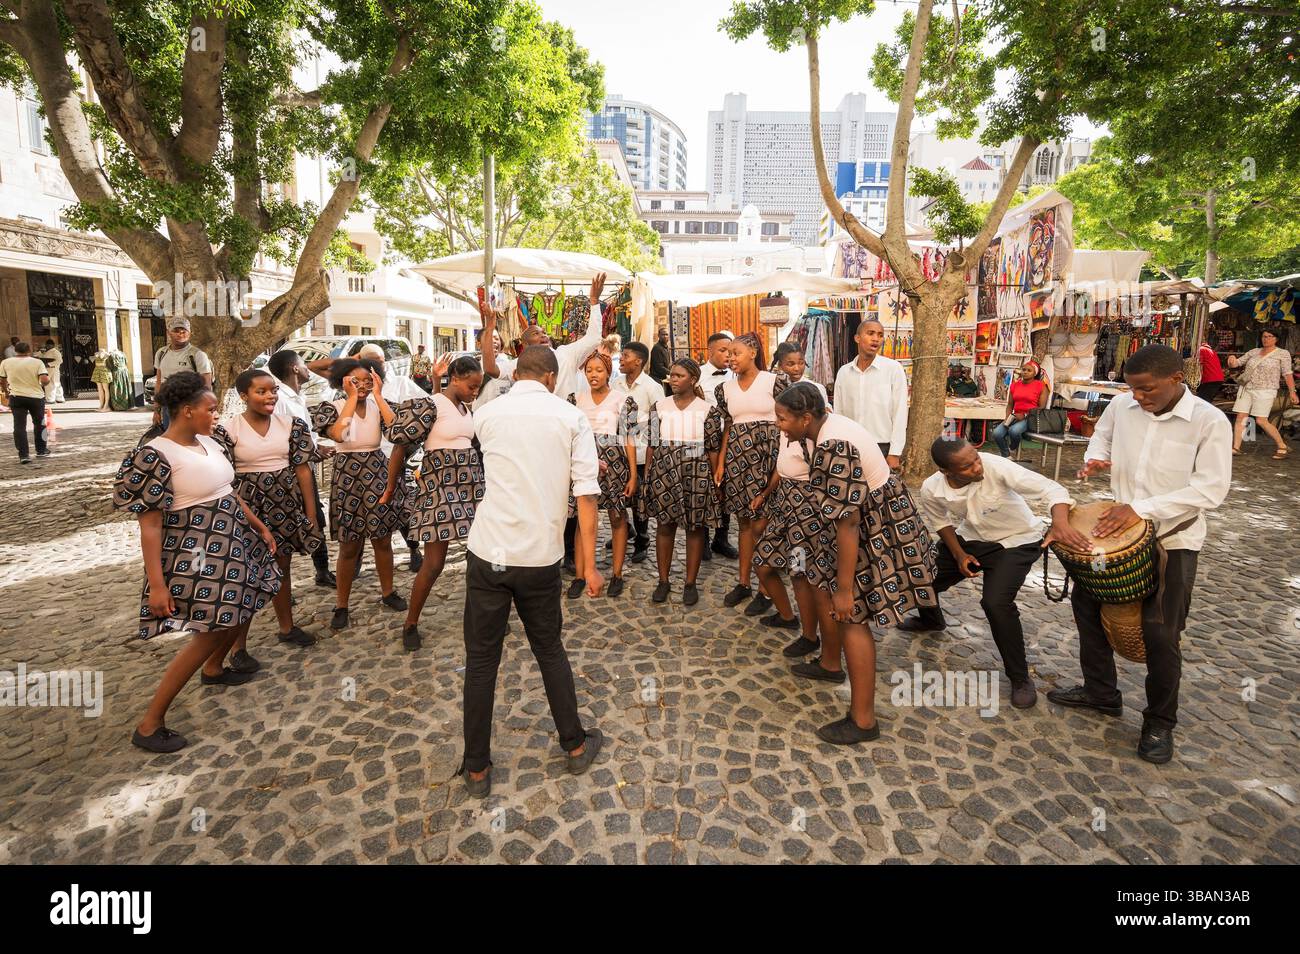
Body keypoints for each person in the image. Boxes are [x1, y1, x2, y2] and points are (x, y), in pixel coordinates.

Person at [1048, 344, 1231, 764]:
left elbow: (1210, 489)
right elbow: (1103, 434)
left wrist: (1141, 509)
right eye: (1131, 389)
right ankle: (1100, 693)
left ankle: (1160, 721)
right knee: (1087, 609)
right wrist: (1096, 458)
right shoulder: (1124, 406)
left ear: (1176, 380)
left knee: (1161, 634)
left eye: (1146, 390)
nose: (1138, 398)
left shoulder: (1209, 421)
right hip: (1118, 536)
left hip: (1173, 540)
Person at [459, 345, 604, 797]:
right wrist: (590, 566)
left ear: (517, 373)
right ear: (550, 378)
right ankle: (575, 746)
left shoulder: (486, 412)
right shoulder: (570, 417)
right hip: (540, 555)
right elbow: (586, 497)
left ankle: (477, 768)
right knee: (549, 650)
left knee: (481, 661)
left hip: (490, 549)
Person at [113, 371, 281, 753]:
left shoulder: (210, 441)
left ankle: (214, 669)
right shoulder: (155, 455)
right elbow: (151, 527)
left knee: (236, 615)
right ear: (187, 411)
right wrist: (157, 585)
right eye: (210, 409)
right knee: (208, 629)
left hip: (233, 539)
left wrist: (258, 526)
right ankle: (150, 722)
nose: (216, 415)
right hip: (197, 552)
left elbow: (229, 491)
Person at [774, 383, 938, 742]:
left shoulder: (833, 444)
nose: (778, 425)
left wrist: (845, 590)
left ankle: (863, 720)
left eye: (782, 418)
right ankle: (831, 665)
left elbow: (848, 522)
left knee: (852, 617)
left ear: (806, 417)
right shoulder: (827, 425)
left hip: (872, 525)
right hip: (866, 519)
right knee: (842, 608)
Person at [905, 437, 1092, 709]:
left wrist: (1060, 523)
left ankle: (1020, 679)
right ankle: (930, 619)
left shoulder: (996, 466)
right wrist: (959, 554)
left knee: (995, 603)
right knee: (921, 575)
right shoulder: (931, 488)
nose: (977, 467)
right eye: (967, 467)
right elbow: (941, 522)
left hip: (1019, 540)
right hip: (973, 538)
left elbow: (1052, 489)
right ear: (947, 472)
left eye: (976, 458)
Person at [211, 368, 324, 671]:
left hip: (284, 501)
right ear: (244, 395)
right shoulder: (228, 429)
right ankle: (238, 647)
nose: (270, 396)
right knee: (248, 573)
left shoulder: (291, 424)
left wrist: (310, 514)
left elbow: (303, 470)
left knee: (282, 565)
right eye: (261, 391)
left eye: (273, 390)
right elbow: (223, 477)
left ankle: (286, 627)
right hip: (247, 505)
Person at [385, 355, 485, 651]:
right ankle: (410, 623)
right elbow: (399, 448)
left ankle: (482, 618)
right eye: (471, 385)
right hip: (440, 487)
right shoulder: (430, 405)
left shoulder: (465, 407)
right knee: (434, 563)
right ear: (456, 378)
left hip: (471, 486)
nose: (474, 391)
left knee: (480, 558)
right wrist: (391, 487)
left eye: (478, 387)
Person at [311, 358, 409, 630]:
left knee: (382, 539)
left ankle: (388, 592)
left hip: (377, 470)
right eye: (356, 381)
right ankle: (341, 604)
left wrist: (378, 395)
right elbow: (339, 435)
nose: (363, 386)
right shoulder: (333, 407)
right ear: (341, 382)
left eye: (368, 380)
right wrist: (352, 398)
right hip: (348, 475)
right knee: (349, 546)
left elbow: (397, 432)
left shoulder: (380, 405)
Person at [712, 332, 786, 616]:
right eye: (727, 353)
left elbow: (785, 420)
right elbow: (728, 426)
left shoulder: (774, 381)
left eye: (736, 352)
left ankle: (765, 590)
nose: (730, 358)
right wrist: (721, 464)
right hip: (738, 459)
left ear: (753, 352)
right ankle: (743, 582)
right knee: (743, 525)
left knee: (762, 526)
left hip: (768, 457)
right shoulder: (724, 390)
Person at [753, 423, 839, 661]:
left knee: (799, 572)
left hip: (805, 512)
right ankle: (787, 616)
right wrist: (765, 494)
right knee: (762, 563)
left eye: (782, 416)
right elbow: (783, 467)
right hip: (784, 505)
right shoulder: (786, 432)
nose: (778, 422)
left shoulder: (815, 436)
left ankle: (810, 637)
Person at [645, 358, 722, 606]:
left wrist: (715, 478)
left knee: (695, 527)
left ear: (693, 380)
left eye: (679, 376)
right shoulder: (659, 406)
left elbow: (712, 448)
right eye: (671, 375)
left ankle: (690, 582)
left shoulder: (707, 409)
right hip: (664, 468)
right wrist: (648, 474)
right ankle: (663, 581)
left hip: (696, 469)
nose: (673, 380)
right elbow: (652, 443)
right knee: (664, 525)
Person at [563, 352, 638, 599]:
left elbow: (629, 438)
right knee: (583, 518)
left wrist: (633, 475)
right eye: (589, 371)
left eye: (599, 370)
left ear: (608, 372)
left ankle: (617, 574)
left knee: (618, 517)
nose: (593, 375)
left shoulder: (623, 400)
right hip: (584, 460)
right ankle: (581, 575)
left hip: (615, 462)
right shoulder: (575, 399)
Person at [269, 349, 336, 588]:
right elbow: (283, 439)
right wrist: (311, 452)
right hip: (288, 473)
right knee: (286, 522)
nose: (308, 368)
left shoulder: (298, 397)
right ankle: (279, 583)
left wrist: (317, 449)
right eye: (303, 364)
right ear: (295, 368)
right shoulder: (281, 401)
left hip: (305, 466)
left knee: (316, 516)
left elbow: (304, 436)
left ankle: (323, 570)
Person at [832, 318, 908, 469]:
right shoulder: (844, 372)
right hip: (851, 445)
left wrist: (895, 452)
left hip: (882, 446)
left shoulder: (893, 369)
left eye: (880, 335)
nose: (876, 339)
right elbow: (838, 413)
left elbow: (900, 412)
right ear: (857, 338)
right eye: (871, 333)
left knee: (880, 491)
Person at [613, 340, 661, 564]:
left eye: (625, 355)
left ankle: (642, 541)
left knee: (639, 500)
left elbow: (658, 422)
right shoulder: (615, 384)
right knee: (619, 496)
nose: (621, 359)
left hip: (641, 452)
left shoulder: (652, 387)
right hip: (619, 451)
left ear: (638, 361)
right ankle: (625, 530)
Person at [698, 331, 739, 560]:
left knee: (725, 489)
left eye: (731, 351)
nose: (728, 355)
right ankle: (702, 539)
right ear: (710, 351)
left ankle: (721, 538)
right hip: (705, 442)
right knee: (704, 488)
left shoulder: (736, 375)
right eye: (723, 350)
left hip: (730, 439)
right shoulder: (698, 376)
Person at [1228, 328, 1296, 459]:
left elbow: (1287, 374)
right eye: (1264, 336)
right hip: (1247, 388)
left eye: (1270, 336)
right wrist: (1231, 359)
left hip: (1266, 390)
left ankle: (1281, 445)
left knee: (1261, 420)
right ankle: (1236, 447)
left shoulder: (1283, 353)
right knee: (1241, 417)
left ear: (1276, 339)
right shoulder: (1254, 351)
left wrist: (1292, 392)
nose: (1266, 339)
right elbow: (1237, 363)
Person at [153, 317, 213, 428]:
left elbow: (206, 386)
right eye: (176, 331)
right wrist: (156, 410)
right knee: (171, 439)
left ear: (189, 333)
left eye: (184, 331)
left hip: (191, 407)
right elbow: (159, 383)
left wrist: (204, 409)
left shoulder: (197, 355)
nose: (180, 334)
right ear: (168, 333)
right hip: (168, 407)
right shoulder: (161, 353)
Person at [0, 341, 51, 463]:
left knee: (19, 426)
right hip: (36, 397)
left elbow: (2, 379)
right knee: (40, 424)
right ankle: (41, 450)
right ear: (29, 350)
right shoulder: (37, 362)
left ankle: (23, 455)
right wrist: (45, 383)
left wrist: (6, 392)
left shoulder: (6, 362)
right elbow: (44, 379)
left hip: (16, 397)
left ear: (16, 351)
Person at [991, 360, 1050, 457]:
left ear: (1035, 373)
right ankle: (1006, 455)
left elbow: (1042, 407)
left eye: (1029, 370)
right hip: (1015, 416)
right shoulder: (1015, 385)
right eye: (1024, 370)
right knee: (997, 433)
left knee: (1013, 431)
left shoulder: (1041, 386)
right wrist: (1007, 417)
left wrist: (1025, 415)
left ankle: (1012, 447)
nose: (1025, 372)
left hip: (1031, 417)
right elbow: (1010, 404)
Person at [773, 340, 829, 406]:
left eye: (801, 363)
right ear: (780, 365)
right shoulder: (771, 388)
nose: (797, 368)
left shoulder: (817, 389)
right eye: (791, 364)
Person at [1196, 335, 1224, 403]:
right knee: (1204, 400)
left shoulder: (1202, 349)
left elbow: (1197, 363)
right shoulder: (1209, 350)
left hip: (1211, 379)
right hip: (1216, 378)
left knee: (1202, 401)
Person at [37, 339, 64, 403]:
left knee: (54, 384)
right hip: (48, 370)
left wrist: (49, 364)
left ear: (52, 345)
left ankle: (51, 399)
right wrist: (40, 352)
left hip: (54, 369)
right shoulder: (47, 351)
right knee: (54, 384)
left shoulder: (56, 352)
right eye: (47, 345)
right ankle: (59, 398)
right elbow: (41, 357)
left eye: (49, 345)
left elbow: (60, 361)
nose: (47, 346)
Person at [650, 326, 672, 395]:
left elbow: (668, 363)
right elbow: (659, 368)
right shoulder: (657, 348)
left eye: (666, 334)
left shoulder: (666, 347)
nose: (665, 336)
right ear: (659, 336)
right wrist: (672, 373)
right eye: (663, 334)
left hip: (664, 378)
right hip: (657, 379)